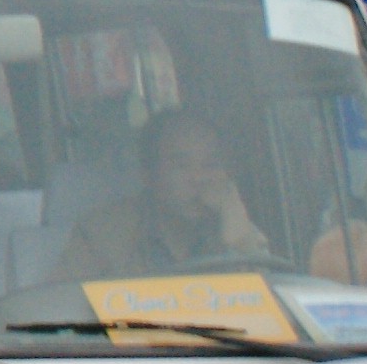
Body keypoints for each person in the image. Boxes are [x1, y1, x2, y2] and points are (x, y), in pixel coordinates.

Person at [65, 108, 278, 278]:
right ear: (149, 174)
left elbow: (270, 310)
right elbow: (66, 310)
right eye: (181, 165)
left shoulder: (234, 227)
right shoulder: (100, 234)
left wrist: (241, 242)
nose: (199, 178)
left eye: (211, 164)